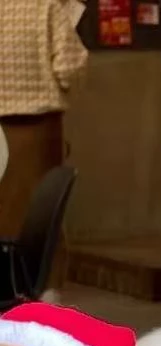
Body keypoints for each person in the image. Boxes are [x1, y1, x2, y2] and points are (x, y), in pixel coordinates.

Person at [0, 0, 87, 246]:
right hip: (38, 130)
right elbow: (69, 68)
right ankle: (39, 271)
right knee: (39, 214)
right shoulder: (45, 7)